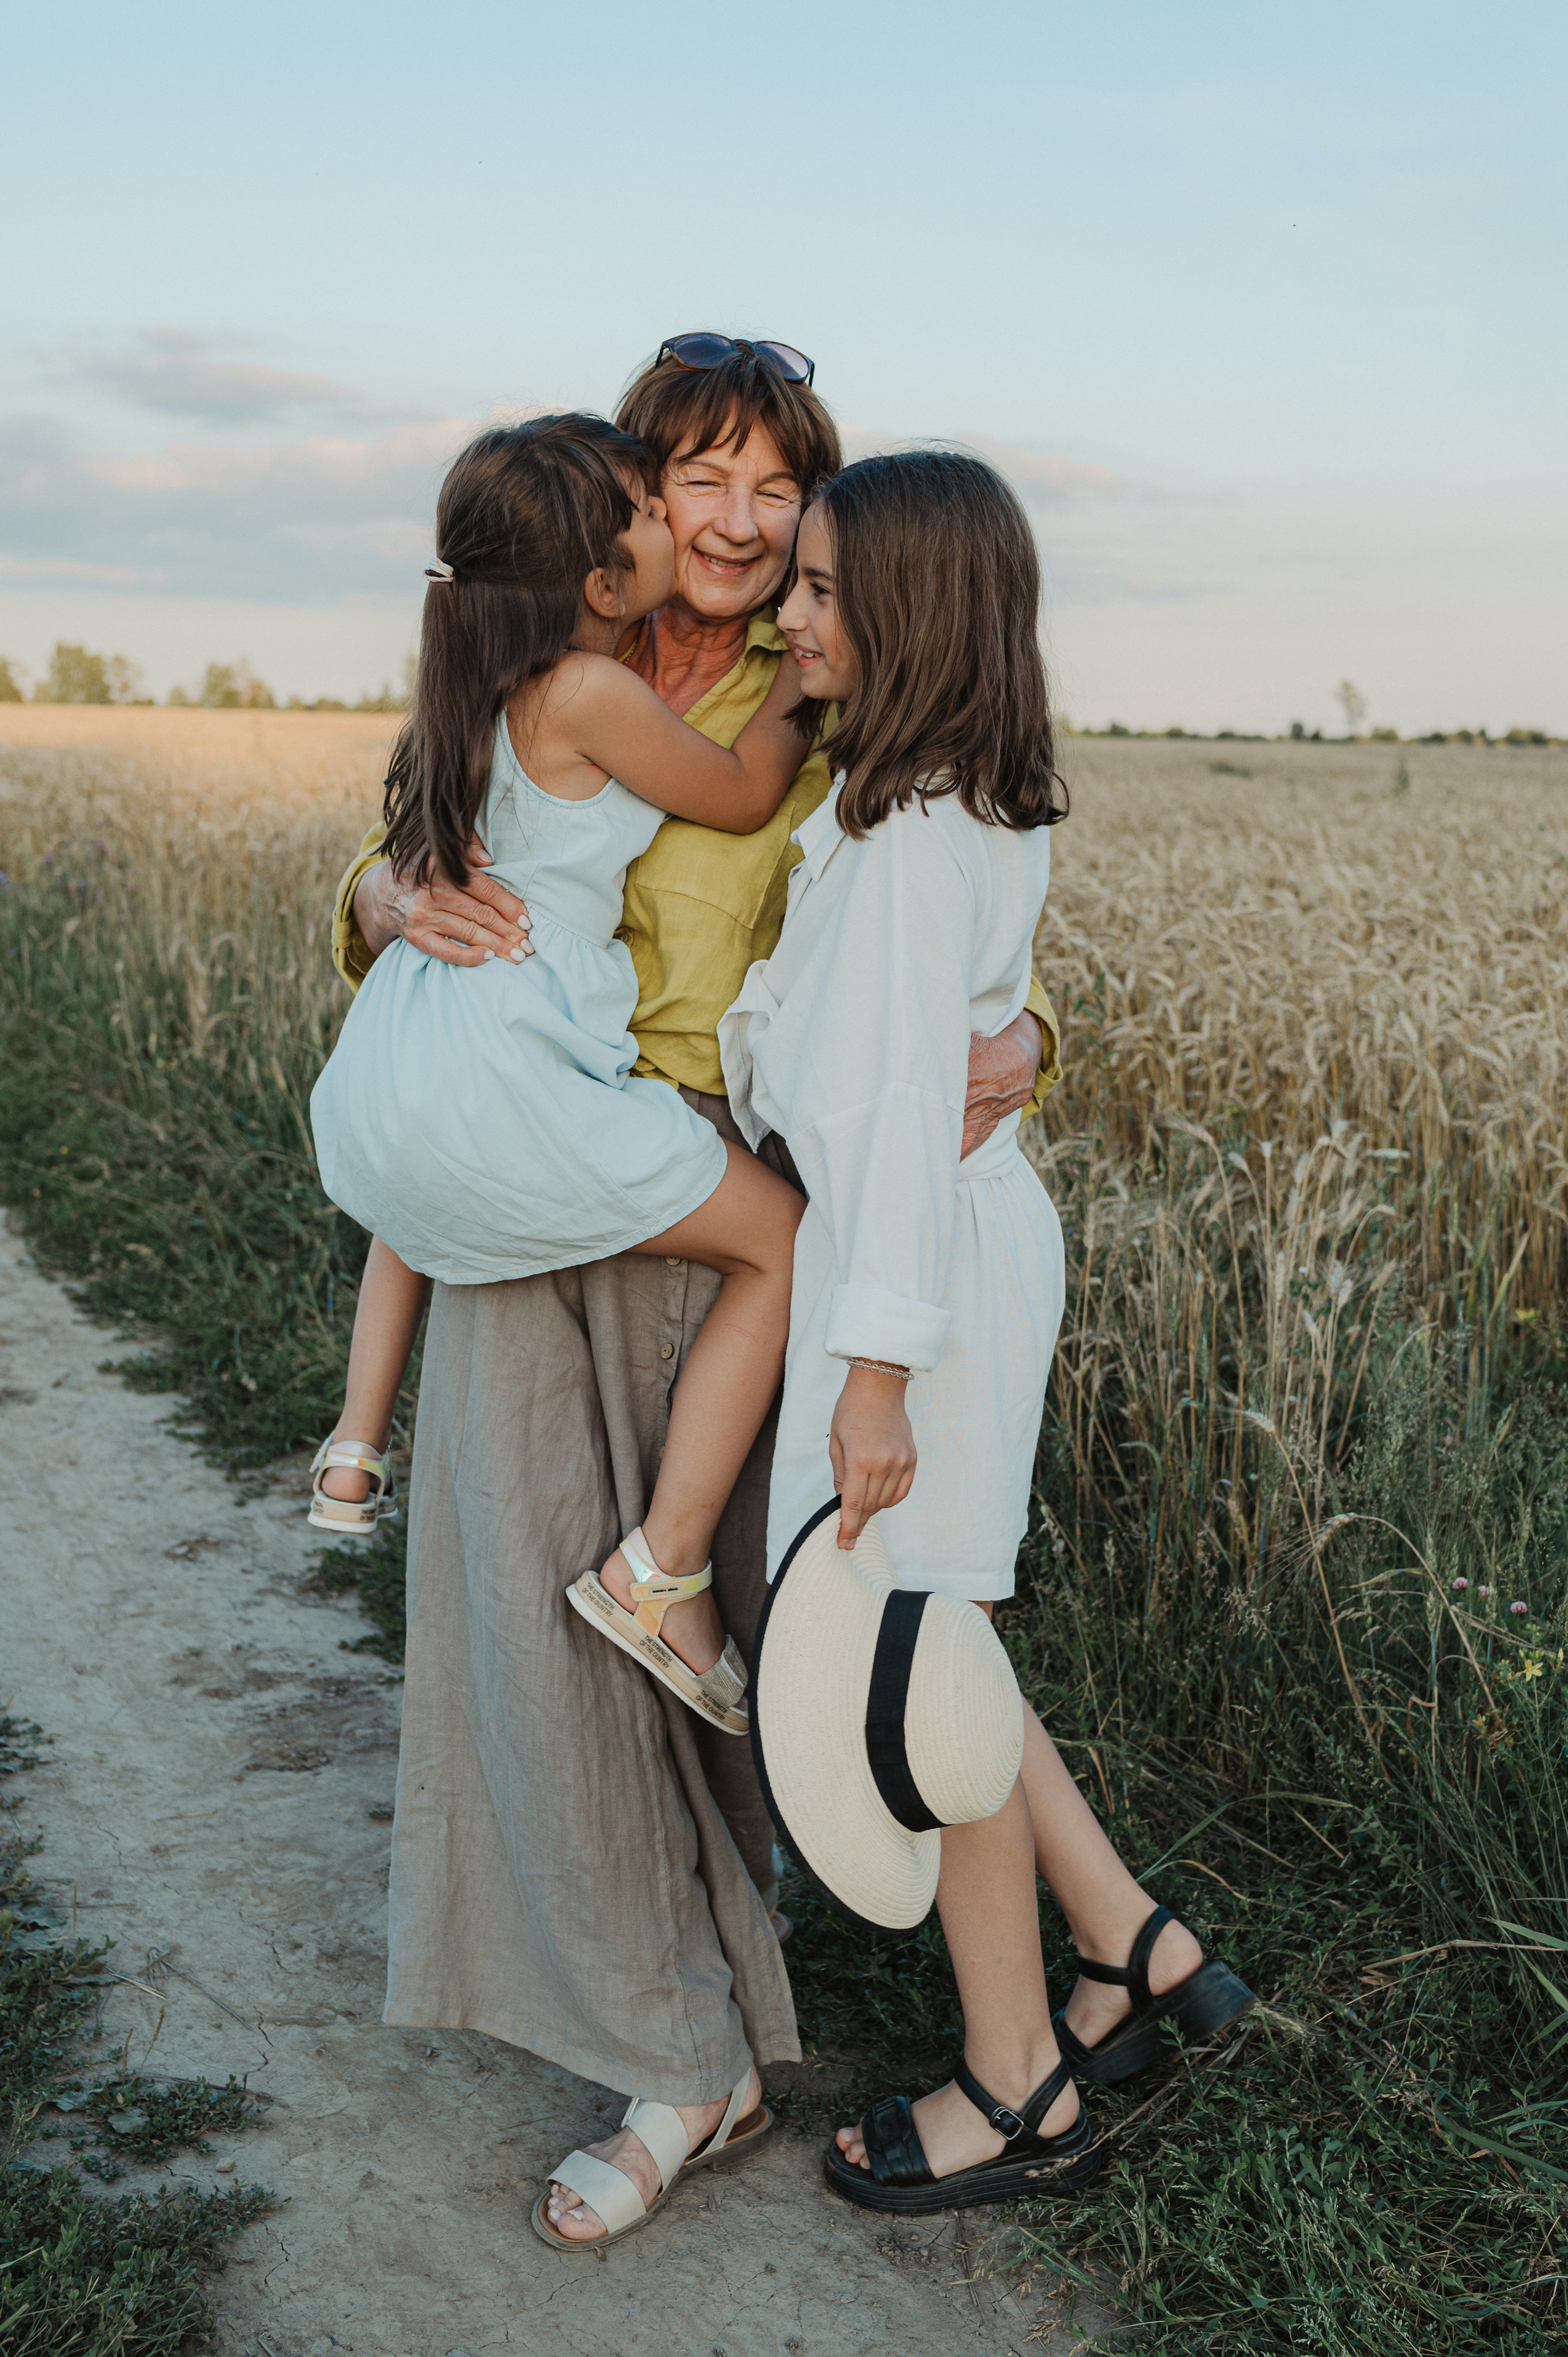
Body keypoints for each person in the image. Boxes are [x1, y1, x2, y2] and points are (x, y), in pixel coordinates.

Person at [328, 341, 1058, 2249]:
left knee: (707, 1636)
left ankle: (722, 2005)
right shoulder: (538, 647)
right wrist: (387, 903)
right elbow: (404, 849)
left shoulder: (822, 679)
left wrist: (1041, 1029)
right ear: (633, 503)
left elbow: (957, 911)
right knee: (536, 1628)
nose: (735, 527)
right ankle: (670, 2051)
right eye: (697, 481)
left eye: (773, 491)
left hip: (725, 1200)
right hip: (528, 1185)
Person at [718, 451, 1250, 2215]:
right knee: (938, 1651)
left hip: (914, 1282)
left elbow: (874, 1135)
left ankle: (1022, 2087)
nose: (787, 615)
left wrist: (873, 1380)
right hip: (962, 1253)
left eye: (815, 588)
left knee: (919, 1677)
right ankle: (1128, 1950)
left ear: (912, 611)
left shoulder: (896, 848)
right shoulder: (977, 812)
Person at [309, 410, 812, 1730]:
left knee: (413, 1211)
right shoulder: (591, 688)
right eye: (665, 500)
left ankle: (354, 1445)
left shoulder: (466, 677)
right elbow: (743, 790)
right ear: (599, 579)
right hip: (533, 1062)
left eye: (771, 490)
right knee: (779, 1244)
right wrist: (804, 690)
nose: (698, 522)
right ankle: (661, 1565)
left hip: (428, 1049)